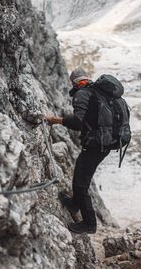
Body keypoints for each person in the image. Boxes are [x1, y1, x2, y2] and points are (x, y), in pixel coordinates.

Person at [45, 68, 111, 234]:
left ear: (73, 82)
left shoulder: (82, 94)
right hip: (103, 144)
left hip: (95, 145)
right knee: (81, 175)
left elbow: (78, 122)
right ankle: (74, 204)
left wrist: (56, 120)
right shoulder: (97, 92)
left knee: (80, 184)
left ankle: (89, 224)